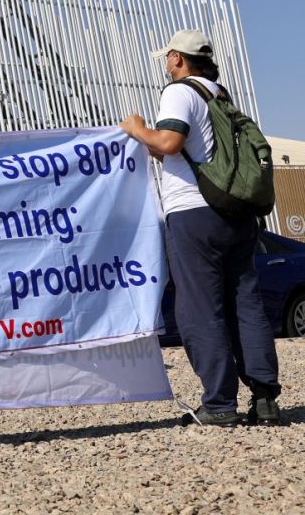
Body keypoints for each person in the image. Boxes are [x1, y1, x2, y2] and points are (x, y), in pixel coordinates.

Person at [119, 29, 283, 427]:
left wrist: (137, 129)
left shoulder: (179, 91)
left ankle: (219, 404)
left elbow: (170, 141)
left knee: (200, 307)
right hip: (237, 213)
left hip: (195, 213)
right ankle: (264, 400)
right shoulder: (220, 95)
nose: (165, 63)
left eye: (167, 57)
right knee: (246, 303)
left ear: (177, 58)